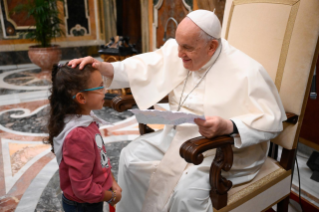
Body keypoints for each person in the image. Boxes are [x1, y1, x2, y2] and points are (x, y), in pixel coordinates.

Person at [68, 10, 286, 212]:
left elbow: (272, 119)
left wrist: (228, 126)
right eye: (178, 45)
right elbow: (143, 65)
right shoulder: (179, 49)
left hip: (222, 151)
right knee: (130, 157)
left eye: (188, 48)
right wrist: (102, 67)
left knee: (186, 194)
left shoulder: (248, 70)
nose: (179, 54)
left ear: (211, 46)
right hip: (176, 138)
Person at [47, 63, 122, 212]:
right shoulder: (78, 135)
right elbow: (83, 189)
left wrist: (111, 180)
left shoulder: (86, 119)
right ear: (81, 98)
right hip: (82, 205)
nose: (105, 91)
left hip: (92, 197)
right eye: (100, 87)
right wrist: (110, 196)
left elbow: (99, 157)